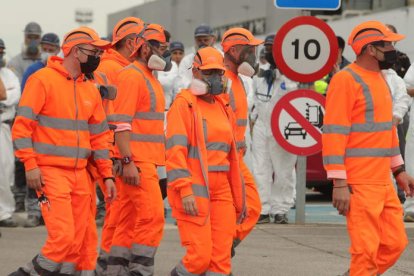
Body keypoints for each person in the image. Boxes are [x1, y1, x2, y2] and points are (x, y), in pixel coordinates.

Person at [10, 26, 116, 276]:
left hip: (81, 176)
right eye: (94, 51)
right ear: (76, 52)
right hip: (49, 174)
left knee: (82, 243)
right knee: (63, 239)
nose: (98, 58)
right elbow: (22, 128)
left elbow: (100, 137)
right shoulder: (42, 80)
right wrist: (31, 165)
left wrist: (107, 176)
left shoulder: (89, 88)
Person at [322, 21, 413, 275]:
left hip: (382, 181)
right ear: (371, 50)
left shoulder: (381, 79)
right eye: (388, 44)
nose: (393, 49)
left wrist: (399, 171)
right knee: (365, 252)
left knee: (395, 243)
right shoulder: (345, 80)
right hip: (359, 183)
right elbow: (333, 135)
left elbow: (387, 132)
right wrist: (339, 183)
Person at [167, 46, 245, 276]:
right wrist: (184, 189)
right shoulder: (185, 104)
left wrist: (237, 192)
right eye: (209, 72)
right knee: (199, 259)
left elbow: (231, 156)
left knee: (221, 262)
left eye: (218, 73)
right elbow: (175, 150)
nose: (215, 78)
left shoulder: (222, 106)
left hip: (222, 190)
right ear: (196, 73)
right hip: (195, 189)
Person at [106, 23, 169, 276]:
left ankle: (115, 271)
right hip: (137, 162)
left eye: (165, 49)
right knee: (153, 218)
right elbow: (121, 124)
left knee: (128, 221)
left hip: (146, 161)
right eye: (159, 48)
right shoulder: (132, 76)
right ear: (144, 48)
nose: (163, 54)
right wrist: (128, 160)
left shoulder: (149, 78)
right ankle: (140, 272)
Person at [94, 16, 145, 275]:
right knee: (118, 213)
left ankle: (109, 264)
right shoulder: (115, 69)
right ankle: (106, 266)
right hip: (113, 153)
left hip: (111, 151)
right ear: (131, 43)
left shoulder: (115, 67)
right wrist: (118, 157)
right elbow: (113, 118)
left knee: (121, 213)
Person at [220, 27, 262, 255]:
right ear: (234, 50)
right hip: (224, 161)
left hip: (236, 159)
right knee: (237, 210)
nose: (253, 55)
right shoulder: (222, 81)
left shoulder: (239, 81)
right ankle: (220, 253)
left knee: (251, 207)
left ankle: (223, 248)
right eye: (249, 50)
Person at [251, 35, 298, 224]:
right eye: (267, 48)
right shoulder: (261, 75)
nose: (269, 52)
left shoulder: (292, 76)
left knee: (283, 170)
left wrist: (282, 76)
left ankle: (281, 209)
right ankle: (263, 208)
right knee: (260, 168)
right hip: (263, 125)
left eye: (273, 48)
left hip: (284, 126)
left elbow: (296, 96)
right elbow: (255, 100)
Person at [18, 32, 60, 228]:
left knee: (50, 178)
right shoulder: (33, 71)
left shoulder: (62, 73)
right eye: (45, 48)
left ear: (58, 50)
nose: (47, 52)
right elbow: (25, 103)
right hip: (36, 131)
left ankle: (48, 212)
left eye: (51, 49)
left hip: (54, 134)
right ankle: (34, 211)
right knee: (33, 173)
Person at [10, 22, 43, 213]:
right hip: (20, 116)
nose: (32, 41)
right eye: (29, 37)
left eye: (35, 37)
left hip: (39, 120)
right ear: (24, 38)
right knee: (18, 161)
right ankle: (19, 199)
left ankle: (35, 204)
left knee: (35, 161)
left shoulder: (44, 62)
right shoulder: (15, 63)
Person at [0, 38, 20, 228]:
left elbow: (12, 95)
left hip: (3, 127)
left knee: (5, 171)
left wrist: (3, 103)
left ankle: (5, 213)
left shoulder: (8, 74)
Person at [176, 24, 216, 91]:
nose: (202, 43)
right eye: (199, 40)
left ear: (213, 40)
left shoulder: (221, 57)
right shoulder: (187, 61)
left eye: (206, 40)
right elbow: (181, 82)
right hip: (193, 97)